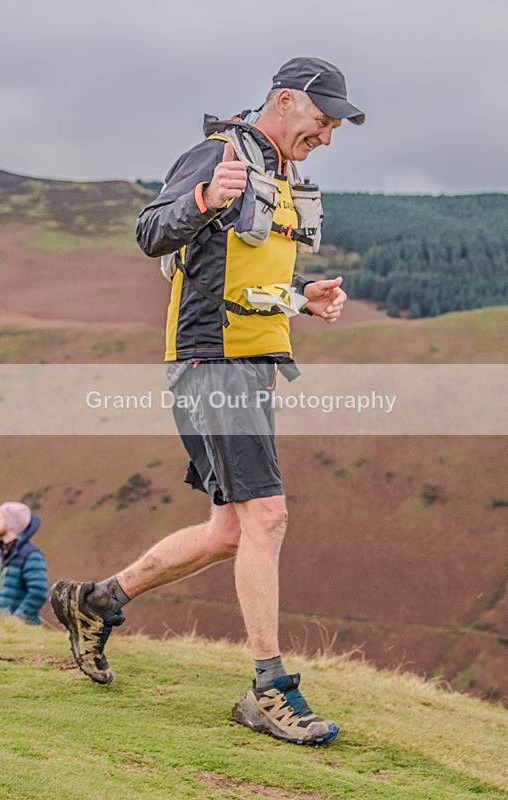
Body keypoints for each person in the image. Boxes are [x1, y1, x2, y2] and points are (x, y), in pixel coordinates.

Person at [51, 57, 364, 745]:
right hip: (211, 362)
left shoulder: (278, 172)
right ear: (285, 101)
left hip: (248, 364)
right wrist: (199, 201)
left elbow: (242, 271)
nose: (329, 136)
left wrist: (302, 297)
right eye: (323, 120)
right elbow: (149, 232)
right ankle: (269, 689)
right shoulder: (218, 154)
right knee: (269, 518)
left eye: (336, 125)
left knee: (231, 531)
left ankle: (96, 601)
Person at [0, 502, 48, 625]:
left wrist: (16, 621)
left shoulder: (31, 554)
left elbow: (38, 592)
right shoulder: (3, 553)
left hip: (18, 630)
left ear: (10, 523)